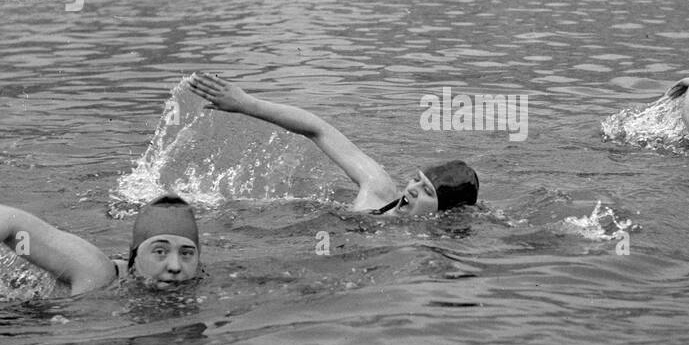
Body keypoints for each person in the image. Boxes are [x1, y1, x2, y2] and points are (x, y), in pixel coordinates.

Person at [186, 73, 479, 216]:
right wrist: (248, 104)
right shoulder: (377, 189)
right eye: (417, 179)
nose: (412, 189)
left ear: (446, 213)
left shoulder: (422, 248)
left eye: (427, 191)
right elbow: (318, 129)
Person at [0, 195, 201, 301]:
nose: (175, 266)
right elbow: (2, 217)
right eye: (160, 251)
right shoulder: (97, 272)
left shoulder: (194, 288)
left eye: (186, 253)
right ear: (134, 256)